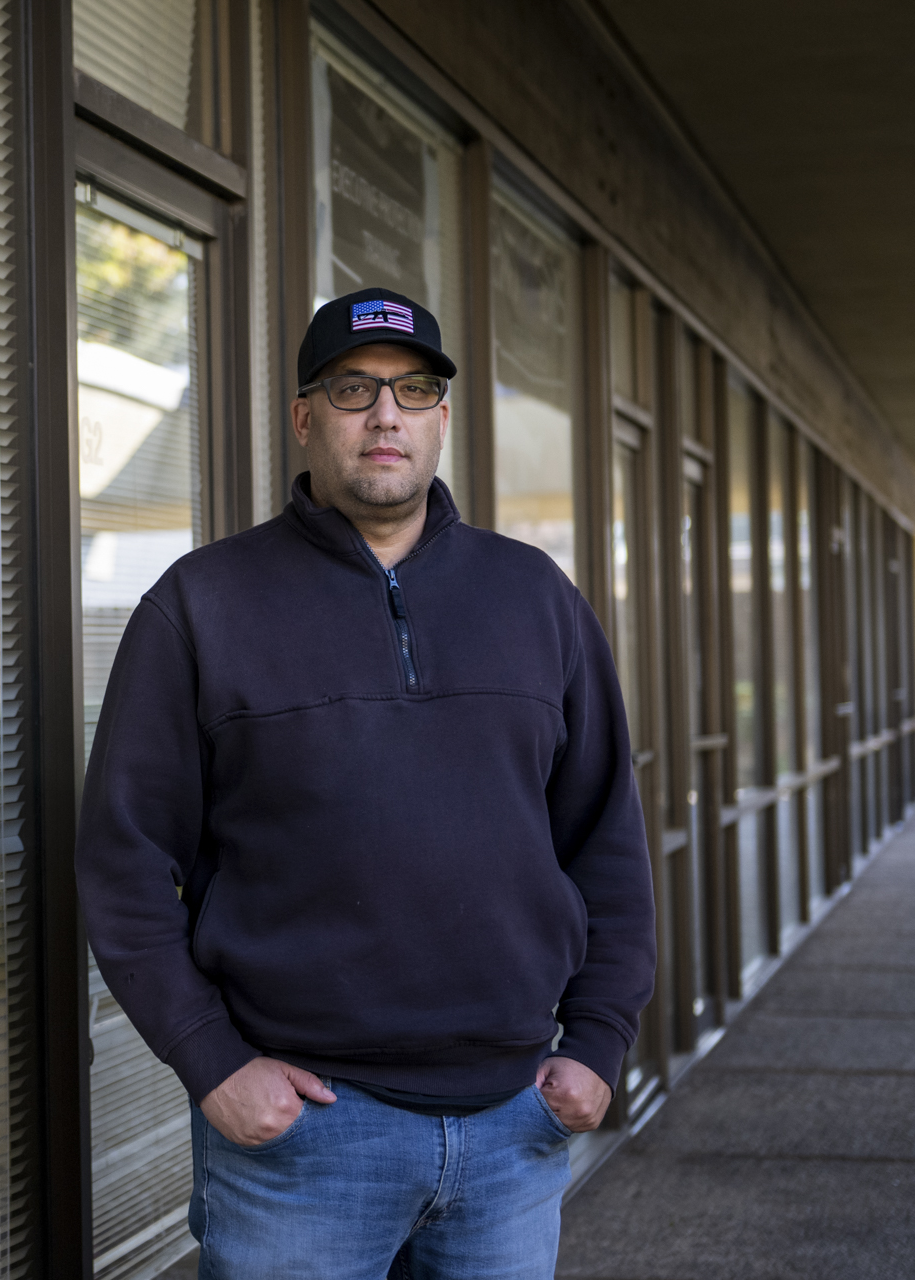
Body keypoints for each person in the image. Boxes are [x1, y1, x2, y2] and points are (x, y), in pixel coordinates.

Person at [75, 287, 657, 1279]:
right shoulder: (202, 606)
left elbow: (605, 843)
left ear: (439, 417)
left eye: (412, 389)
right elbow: (122, 864)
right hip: (304, 1139)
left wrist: (599, 1040)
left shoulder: (536, 599)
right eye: (354, 389)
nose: (385, 413)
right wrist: (211, 1061)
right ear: (305, 417)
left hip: (514, 1127)